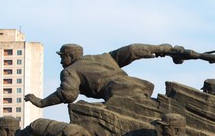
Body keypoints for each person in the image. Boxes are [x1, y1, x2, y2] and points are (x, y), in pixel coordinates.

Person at [24, 43, 185, 107]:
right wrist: (164, 49)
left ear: (71, 57)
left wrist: (42, 102)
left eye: (62, 57)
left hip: (117, 94)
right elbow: (132, 50)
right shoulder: (104, 57)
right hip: (138, 86)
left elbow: (68, 94)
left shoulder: (70, 71)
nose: (60, 62)